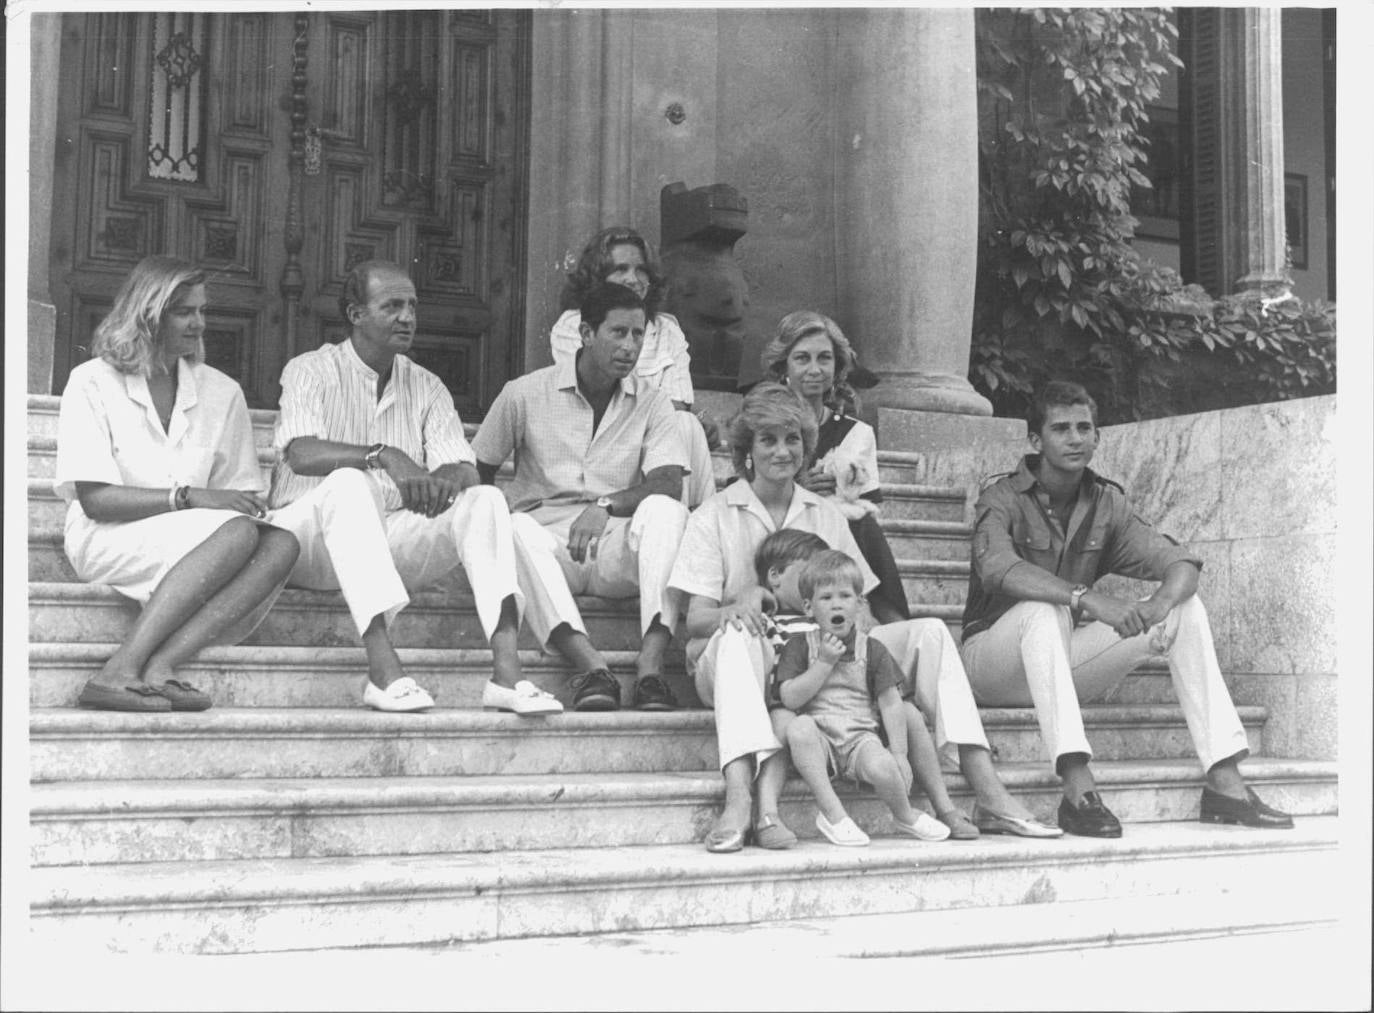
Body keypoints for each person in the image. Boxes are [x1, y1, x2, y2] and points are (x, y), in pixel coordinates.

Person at [670, 383, 1058, 852]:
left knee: (932, 632)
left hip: (821, 655)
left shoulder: (825, 514)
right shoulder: (714, 514)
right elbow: (694, 621)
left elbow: (864, 604)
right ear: (747, 450)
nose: (782, 451)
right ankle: (738, 797)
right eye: (767, 439)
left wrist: (864, 656)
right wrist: (740, 605)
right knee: (735, 635)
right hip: (743, 661)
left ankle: (987, 787)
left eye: (793, 439)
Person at [960, 380, 1294, 836]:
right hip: (990, 663)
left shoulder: (1105, 502)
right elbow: (997, 567)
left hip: (1058, 661)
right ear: (1036, 441)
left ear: (1097, 436)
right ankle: (1077, 786)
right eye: (1061, 429)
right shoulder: (1001, 497)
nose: (1075, 438)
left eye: (1084, 427)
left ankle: (1223, 781)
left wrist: (1158, 603)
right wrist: (1086, 598)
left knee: (1184, 608)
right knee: (1045, 609)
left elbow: (1180, 562)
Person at [267, 259, 562, 716]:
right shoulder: (309, 369)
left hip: (386, 540)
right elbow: (301, 453)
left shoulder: (426, 385)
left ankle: (507, 673)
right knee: (350, 482)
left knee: (485, 497)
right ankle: (383, 671)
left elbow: (464, 466)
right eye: (392, 306)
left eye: (412, 306)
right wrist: (383, 454)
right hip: (304, 540)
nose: (407, 317)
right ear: (355, 315)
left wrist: (443, 480)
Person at [55, 255, 300, 712]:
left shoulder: (222, 391)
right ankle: (117, 669)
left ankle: (162, 665)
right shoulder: (91, 382)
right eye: (184, 311)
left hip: (196, 542)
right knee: (239, 532)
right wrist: (188, 497)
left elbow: (237, 500)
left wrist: (232, 508)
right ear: (148, 314)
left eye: (202, 310)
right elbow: (95, 501)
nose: (199, 323)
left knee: (282, 544)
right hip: (107, 535)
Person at [473, 282, 690, 712]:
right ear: (587, 334)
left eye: (638, 334)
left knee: (667, 511)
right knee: (511, 525)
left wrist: (606, 506)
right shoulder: (525, 393)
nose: (630, 346)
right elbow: (480, 471)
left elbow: (667, 483)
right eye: (618, 333)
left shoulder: (654, 403)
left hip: (614, 544)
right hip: (547, 544)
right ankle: (591, 666)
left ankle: (650, 669)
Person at [760, 535, 979, 841]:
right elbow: (789, 696)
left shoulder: (872, 649)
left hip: (861, 739)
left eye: (845, 596)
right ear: (809, 607)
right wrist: (823, 664)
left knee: (885, 765)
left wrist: (900, 754)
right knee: (799, 729)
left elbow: (890, 702)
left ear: (860, 604)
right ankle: (834, 815)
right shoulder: (800, 646)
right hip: (819, 740)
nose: (836, 603)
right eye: (826, 598)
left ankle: (905, 816)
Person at [550, 226, 719, 507]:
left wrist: (681, 411)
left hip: (657, 440)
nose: (633, 279)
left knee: (684, 424)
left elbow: (678, 404)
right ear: (598, 278)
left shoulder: (667, 330)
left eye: (641, 270)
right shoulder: (573, 326)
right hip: (603, 439)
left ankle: (688, 520)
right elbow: (598, 393)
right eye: (621, 269)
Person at [760, 311, 910, 623]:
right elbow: (745, 488)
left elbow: (863, 503)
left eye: (824, 358)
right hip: (776, 531)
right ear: (783, 365)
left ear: (837, 366)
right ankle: (892, 617)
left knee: (863, 523)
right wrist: (796, 487)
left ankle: (892, 621)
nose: (814, 369)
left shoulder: (856, 433)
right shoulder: (762, 426)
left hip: (838, 535)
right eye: (802, 358)